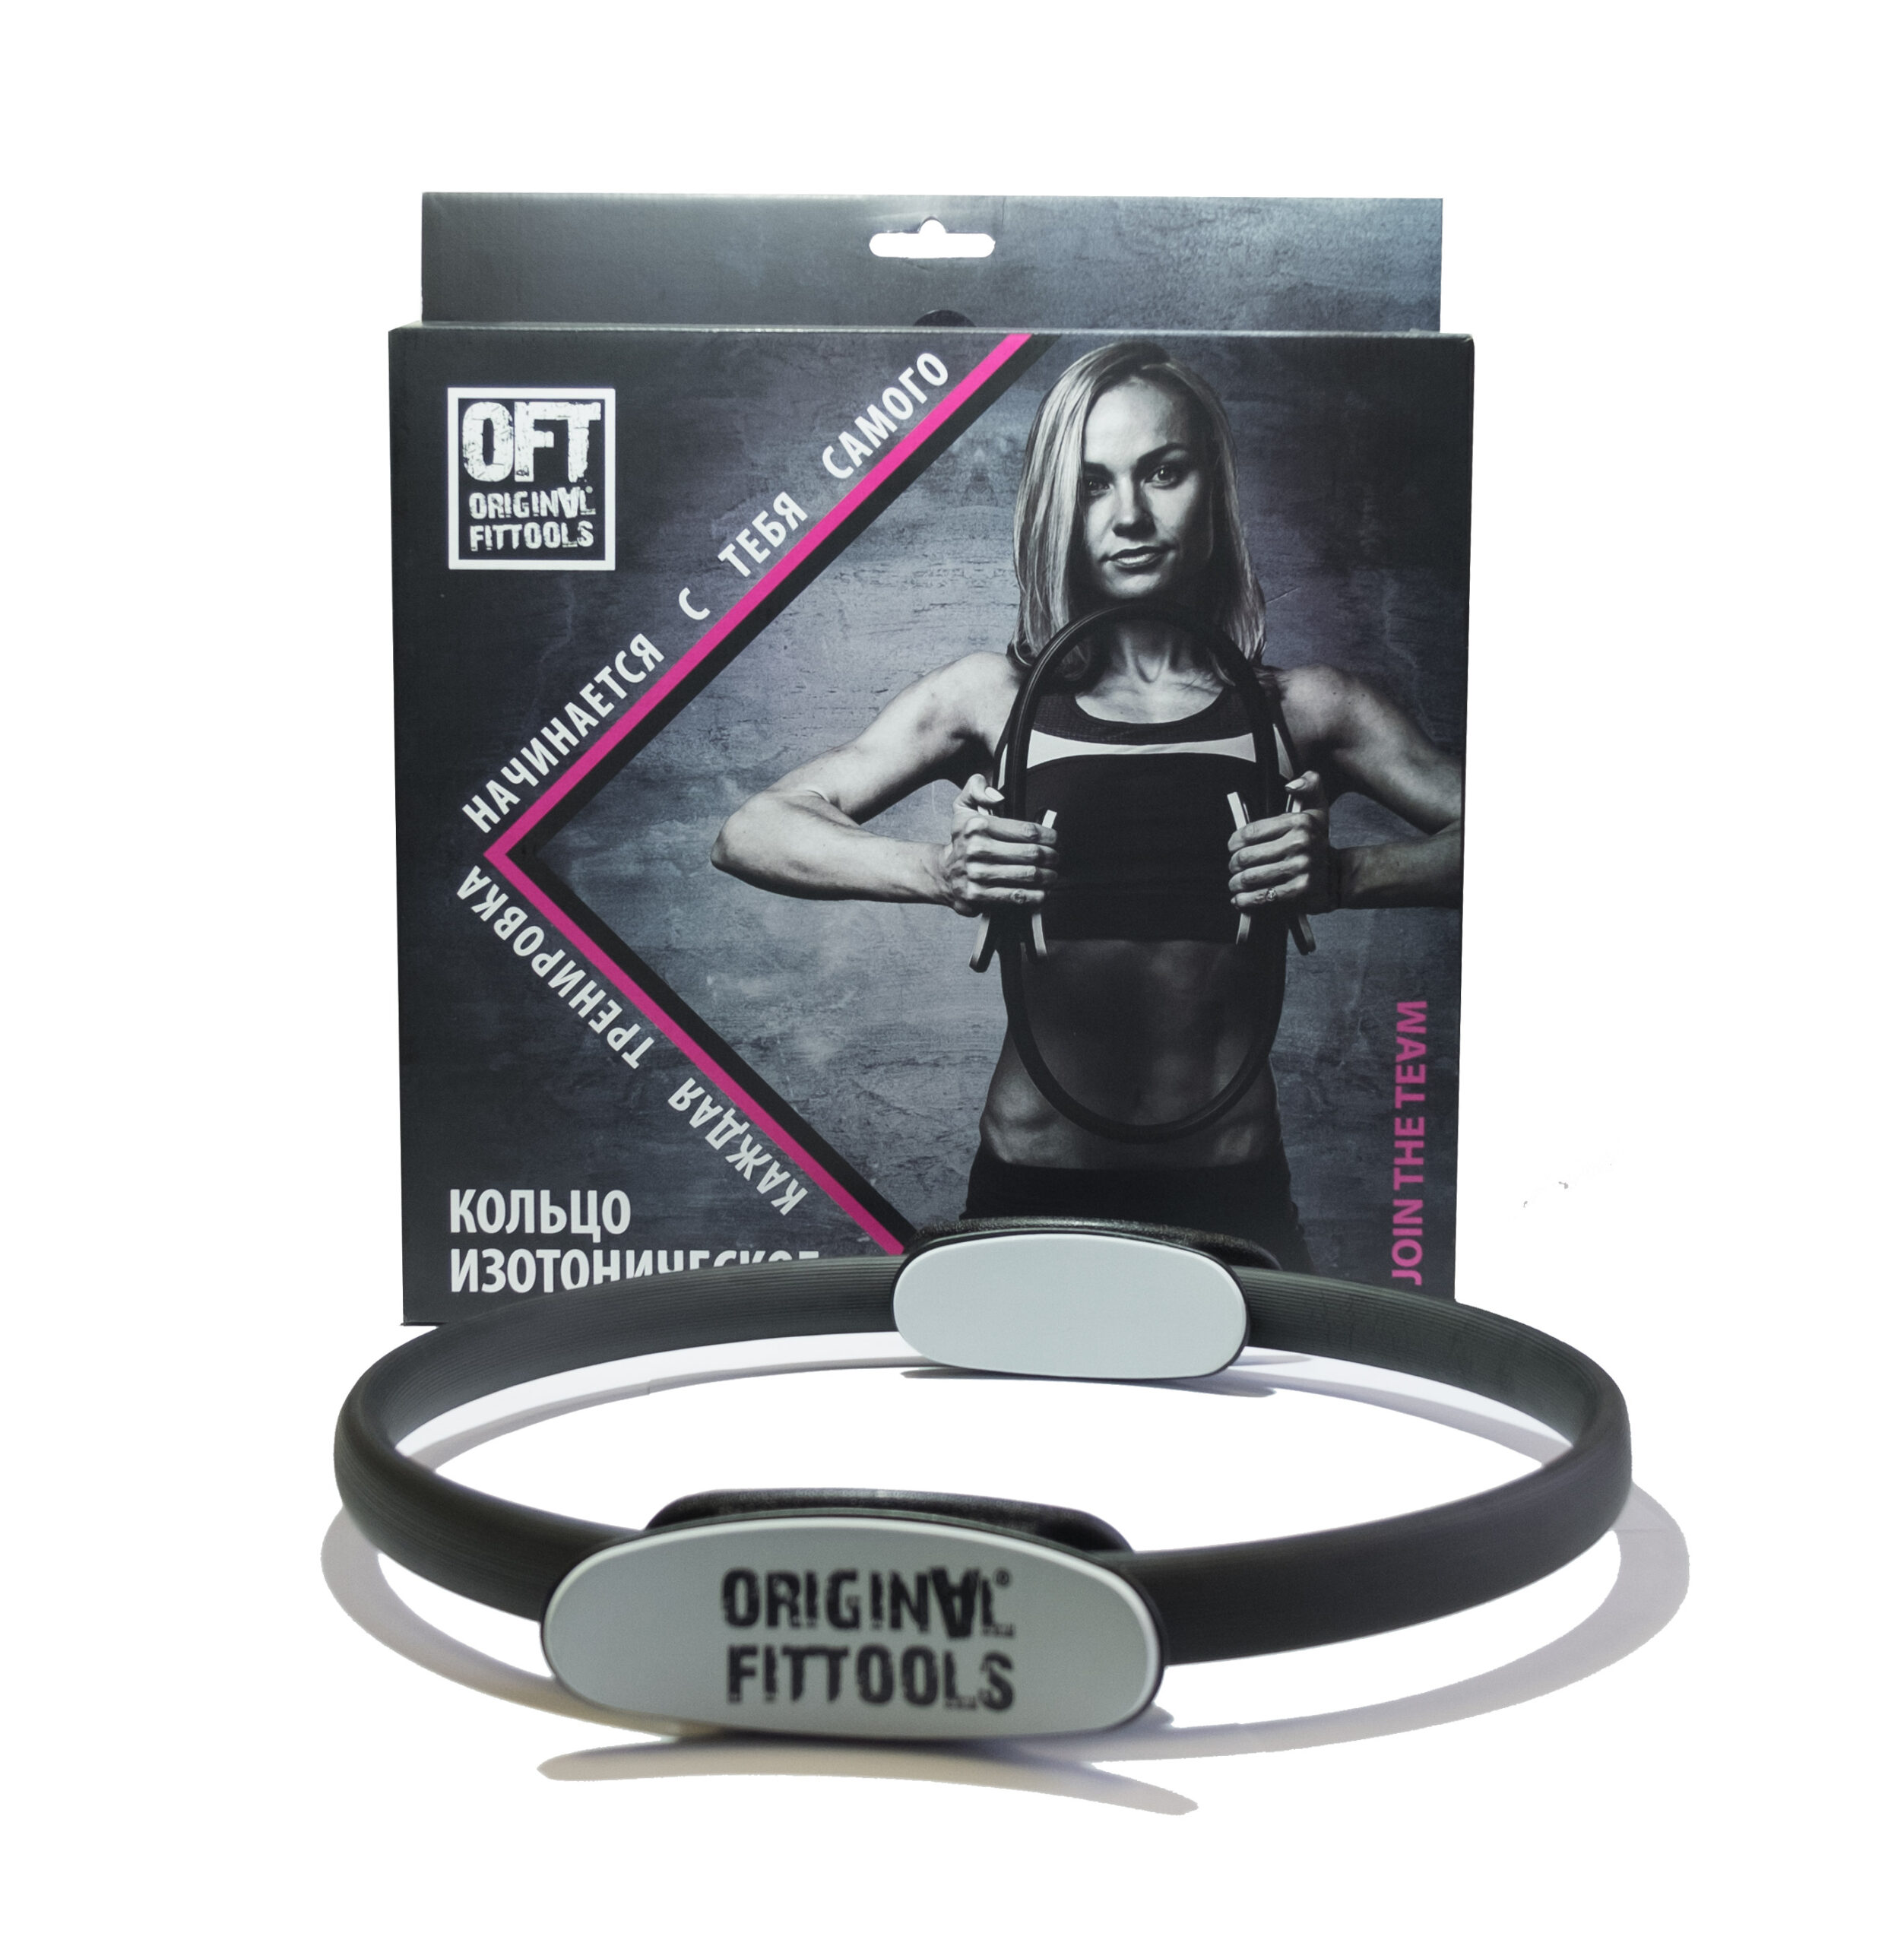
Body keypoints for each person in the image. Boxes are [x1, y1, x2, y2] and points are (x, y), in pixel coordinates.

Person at [711, 341, 1462, 1268]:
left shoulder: (1307, 710)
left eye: (1163, 472)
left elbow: (1531, 848)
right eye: (1094, 483)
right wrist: (939, 870)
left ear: (1214, 488)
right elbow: (752, 830)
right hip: (1034, 1186)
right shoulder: (991, 700)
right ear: (1056, 507)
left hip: (1233, 1192)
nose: (1130, 515)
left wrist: (1346, 874)